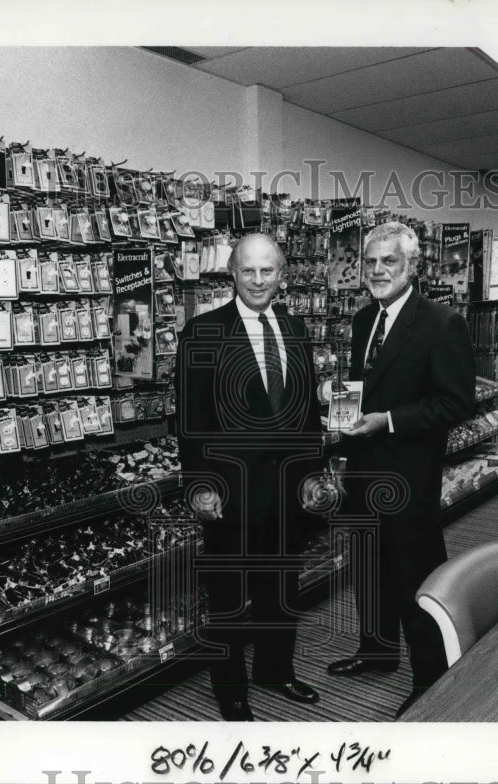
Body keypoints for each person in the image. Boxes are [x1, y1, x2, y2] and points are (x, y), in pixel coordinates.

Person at [326, 221, 476, 719]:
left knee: (416, 576)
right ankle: (376, 651)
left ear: (412, 266)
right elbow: (364, 385)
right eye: (370, 261)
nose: (376, 270)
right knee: (370, 570)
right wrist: (342, 410)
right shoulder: (363, 319)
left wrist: (388, 421)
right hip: (364, 470)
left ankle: (431, 677)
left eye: (388, 261)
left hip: (409, 477)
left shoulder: (442, 322)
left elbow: (455, 403)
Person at [175, 233, 326, 721]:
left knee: (280, 587)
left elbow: (306, 414)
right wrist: (198, 484)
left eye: (267, 271)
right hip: (230, 491)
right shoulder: (202, 333)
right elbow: (191, 419)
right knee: (228, 596)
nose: (258, 281)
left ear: (282, 274)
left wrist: (311, 473)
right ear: (231, 274)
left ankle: (275, 670)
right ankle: (231, 690)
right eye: (247, 271)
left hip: (287, 491)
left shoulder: (296, 327)